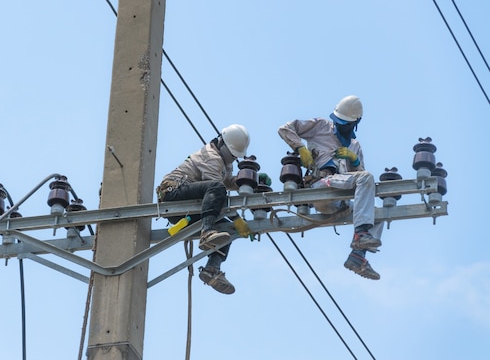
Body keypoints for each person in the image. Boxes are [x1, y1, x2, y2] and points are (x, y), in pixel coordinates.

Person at [277, 95, 383, 280]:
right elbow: (285, 129)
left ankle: (358, 257)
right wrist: (300, 148)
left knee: (377, 215)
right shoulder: (321, 126)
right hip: (321, 186)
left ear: (355, 122)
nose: (341, 125)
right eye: (339, 121)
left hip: (340, 200)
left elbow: (363, 185)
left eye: (345, 123)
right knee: (366, 179)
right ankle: (361, 235)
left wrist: (355, 160)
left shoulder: (355, 146)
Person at [156, 124, 259, 294]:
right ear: (223, 144)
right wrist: (237, 219)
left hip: (189, 208)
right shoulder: (211, 157)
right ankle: (207, 232)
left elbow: (225, 182)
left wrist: (245, 181)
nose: (234, 159)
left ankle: (212, 270)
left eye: (236, 156)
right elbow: (217, 189)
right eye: (232, 154)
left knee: (228, 229)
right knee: (217, 191)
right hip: (173, 193)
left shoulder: (224, 163)